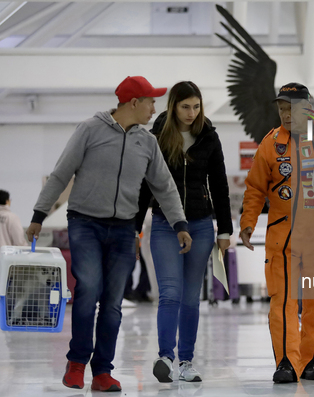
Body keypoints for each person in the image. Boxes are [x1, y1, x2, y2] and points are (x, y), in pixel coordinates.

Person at [26, 76, 192, 392]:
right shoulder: (90, 129)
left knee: (113, 302)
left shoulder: (147, 142)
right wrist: (38, 215)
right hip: (84, 223)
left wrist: (180, 224)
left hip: (122, 229)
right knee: (89, 289)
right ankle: (76, 363)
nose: (154, 108)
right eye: (151, 101)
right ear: (134, 103)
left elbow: (164, 186)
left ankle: (102, 370)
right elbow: (61, 172)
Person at [239, 83, 314, 383]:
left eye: (291, 108)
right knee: (283, 301)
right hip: (283, 236)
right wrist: (247, 223)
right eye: (281, 108)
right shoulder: (270, 144)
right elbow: (255, 188)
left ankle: (310, 361)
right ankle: (285, 362)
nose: (285, 114)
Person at [135, 81, 233, 383]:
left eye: (196, 106)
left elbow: (219, 185)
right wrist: (134, 227)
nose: (192, 113)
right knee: (170, 294)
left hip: (202, 225)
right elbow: (143, 185)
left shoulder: (209, 137)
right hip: (164, 223)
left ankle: (186, 361)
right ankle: (165, 355)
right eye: (185, 106)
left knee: (191, 297)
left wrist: (225, 230)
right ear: (173, 106)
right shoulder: (158, 136)